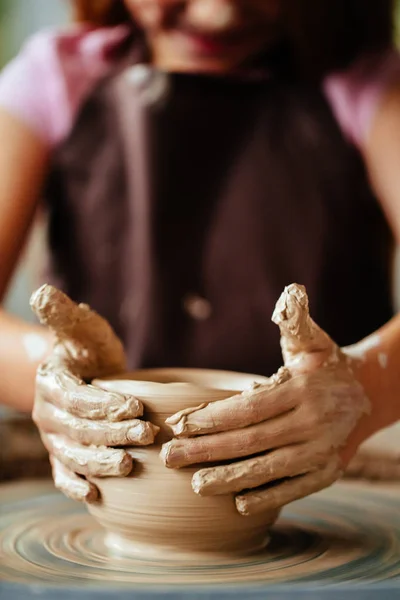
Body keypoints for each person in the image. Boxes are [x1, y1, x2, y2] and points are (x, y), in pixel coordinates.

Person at [0, 0, 400, 515]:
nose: (219, 14)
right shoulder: (55, 80)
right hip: (105, 493)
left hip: (327, 496)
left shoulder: (367, 83)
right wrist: (41, 378)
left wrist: (363, 388)